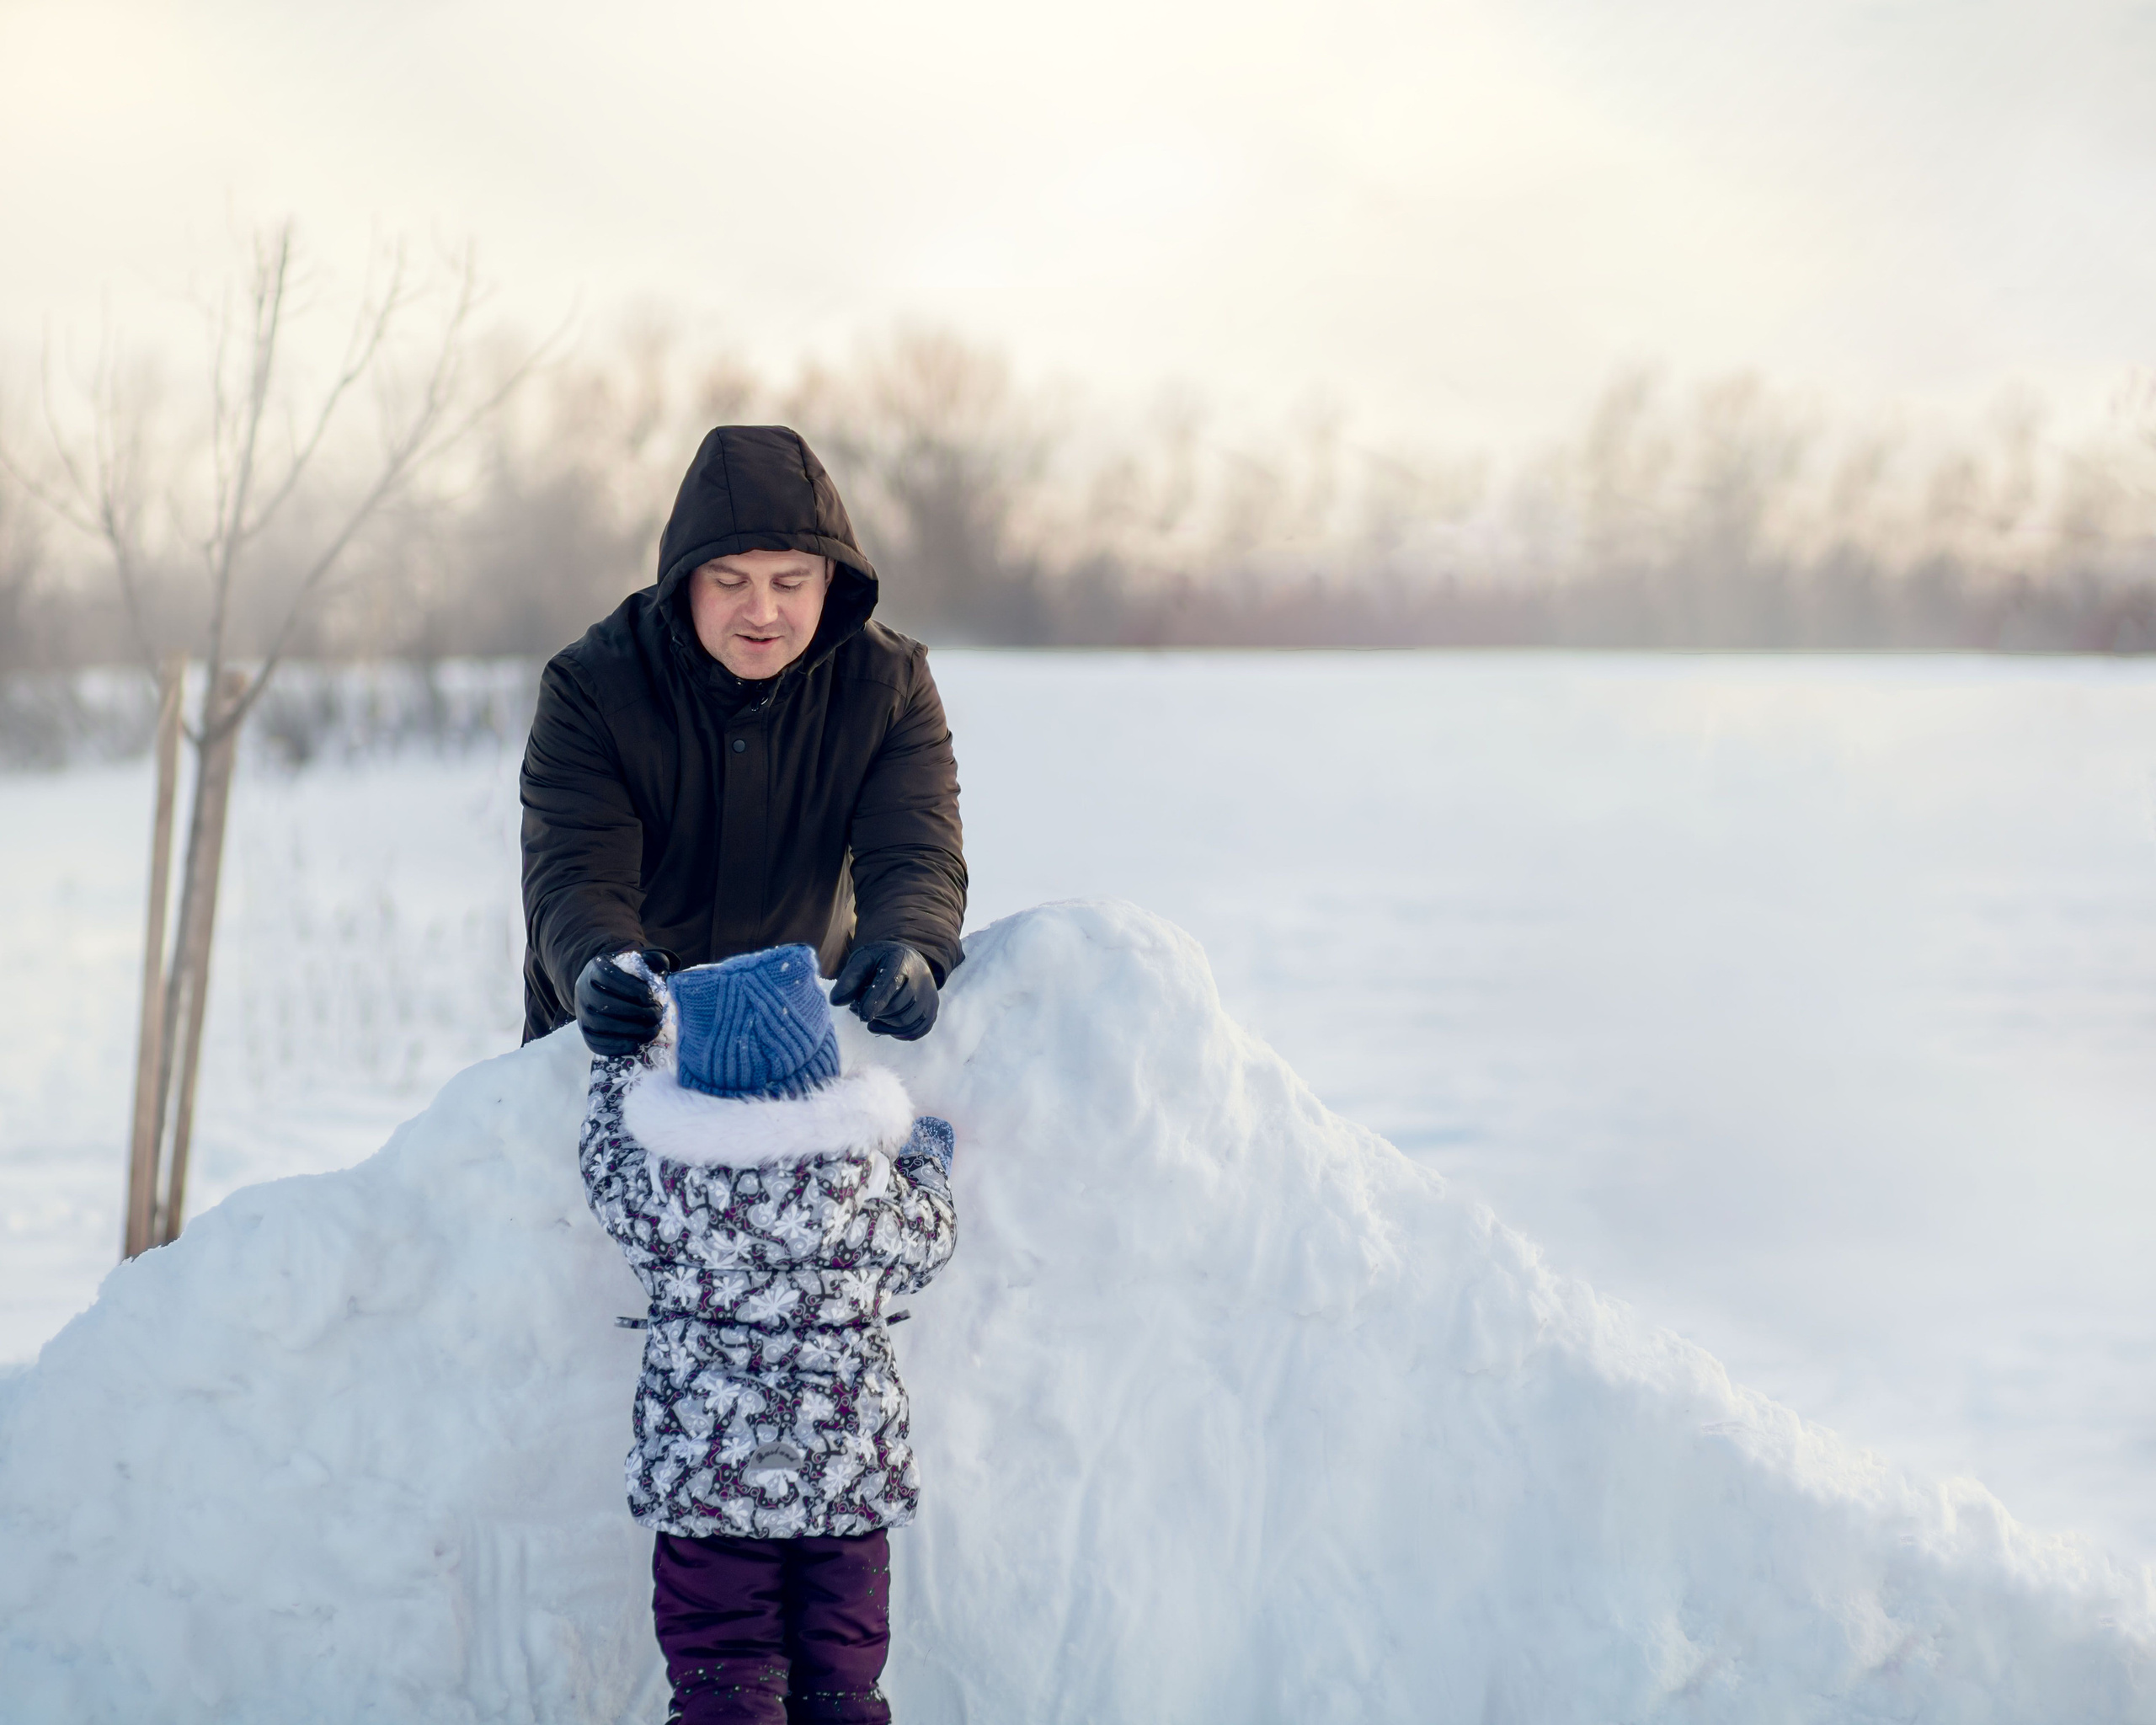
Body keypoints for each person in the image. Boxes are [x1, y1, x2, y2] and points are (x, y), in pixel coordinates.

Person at [579, 943, 958, 1723]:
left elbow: (605, 1161)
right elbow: (931, 1239)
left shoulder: (664, 1194)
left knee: (726, 1681)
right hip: (846, 1484)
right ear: (820, 1070)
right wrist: (925, 1167)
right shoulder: (862, 1191)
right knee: (841, 1687)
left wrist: (624, 1058)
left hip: (707, 1483)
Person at [520, 425, 967, 1056]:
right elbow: (574, 871)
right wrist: (599, 964)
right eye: (731, 583)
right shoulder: (591, 687)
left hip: (799, 1037)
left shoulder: (888, 687)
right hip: (622, 1035)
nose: (761, 612)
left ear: (829, 583)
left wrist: (911, 946)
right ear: (685, 582)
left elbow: (914, 850)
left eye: (789, 583)